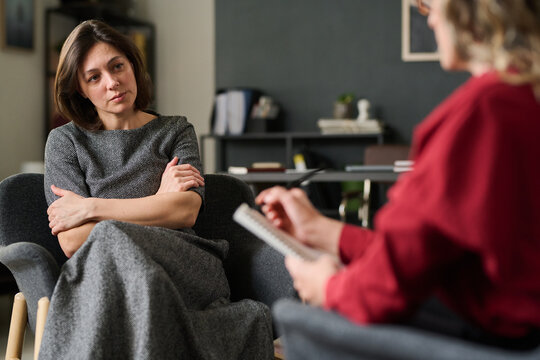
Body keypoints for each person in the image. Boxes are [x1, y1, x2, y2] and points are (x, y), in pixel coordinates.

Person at [257, 0, 540, 350]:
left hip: (495, 332)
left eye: (430, 4)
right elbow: (422, 251)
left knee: (295, 316)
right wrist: (321, 229)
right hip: (513, 319)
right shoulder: (524, 96)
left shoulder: (485, 111)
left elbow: (385, 286)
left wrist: (328, 286)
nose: (430, 17)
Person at [41, 20, 273, 359]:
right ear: (80, 89)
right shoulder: (64, 142)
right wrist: (159, 201)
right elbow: (73, 241)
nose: (113, 82)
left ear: (132, 65)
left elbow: (185, 211)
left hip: (187, 264)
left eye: (117, 66)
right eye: (94, 77)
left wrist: (91, 207)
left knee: (106, 237)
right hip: (109, 275)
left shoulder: (175, 129)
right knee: (112, 247)